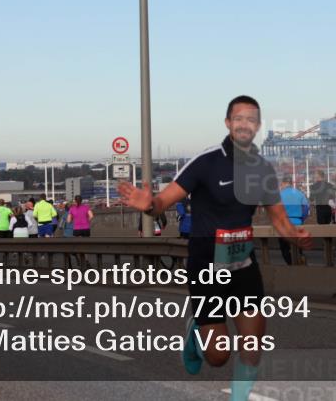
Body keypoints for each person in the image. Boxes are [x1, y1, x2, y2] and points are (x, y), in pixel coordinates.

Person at [118, 95, 313, 401]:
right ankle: (195, 329)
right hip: (206, 266)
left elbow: (280, 221)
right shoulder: (206, 162)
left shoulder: (263, 169)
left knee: (252, 345)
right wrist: (149, 205)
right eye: (239, 118)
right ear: (228, 123)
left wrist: (295, 235)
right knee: (218, 357)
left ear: (258, 126)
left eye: (252, 119)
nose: (245, 124)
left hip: (243, 264)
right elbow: (162, 203)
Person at [278, 177, 309, 265]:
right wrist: (301, 219)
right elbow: (306, 209)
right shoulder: (300, 193)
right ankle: (300, 262)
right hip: (298, 224)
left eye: (281, 184)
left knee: (284, 248)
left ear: (283, 183)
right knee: (298, 248)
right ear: (291, 183)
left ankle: (291, 265)